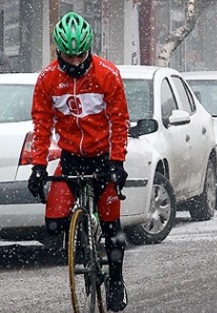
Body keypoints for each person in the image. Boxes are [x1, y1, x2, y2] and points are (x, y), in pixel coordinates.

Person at [28, 12, 129, 312]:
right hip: (71, 158)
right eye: (68, 57)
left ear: (89, 49)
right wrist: (37, 166)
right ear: (58, 51)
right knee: (53, 224)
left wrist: (117, 162)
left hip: (103, 157)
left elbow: (119, 122)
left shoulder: (107, 75)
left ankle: (115, 281)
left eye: (80, 56)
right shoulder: (47, 80)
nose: (74, 63)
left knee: (111, 225)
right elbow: (42, 125)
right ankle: (83, 245)